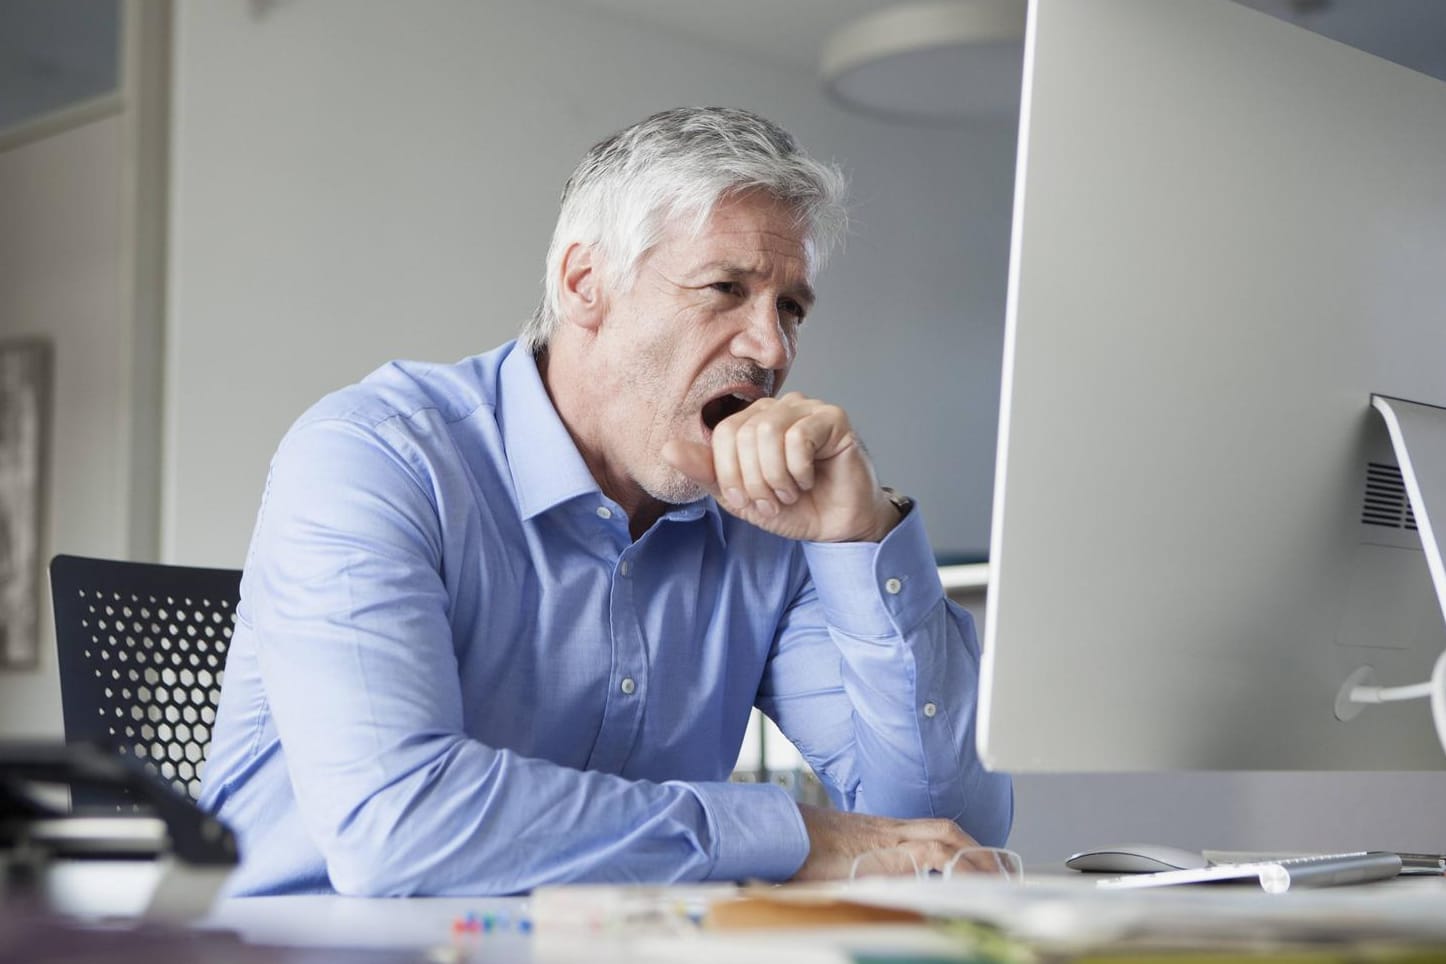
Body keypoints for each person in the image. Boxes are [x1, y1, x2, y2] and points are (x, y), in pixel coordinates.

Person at [200, 107, 1012, 896]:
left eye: (790, 308)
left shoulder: (764, 518)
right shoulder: (373, 456)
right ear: (584, 283)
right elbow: (397, 824)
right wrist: (790, 835)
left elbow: (944, 832)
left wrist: (860, 539)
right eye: (726, 288)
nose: (773, 349)